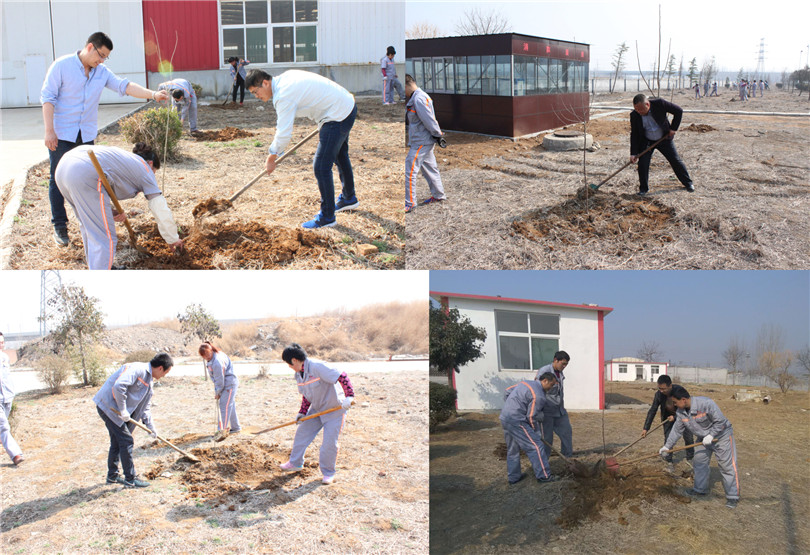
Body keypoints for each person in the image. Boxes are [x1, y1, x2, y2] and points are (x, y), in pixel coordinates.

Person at [41, 31, 170, 247]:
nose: (101, 61)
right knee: (57, 178)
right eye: (100, 55)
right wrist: (49, 131)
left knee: (93, 179)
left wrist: (153, 95)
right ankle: (60, 226)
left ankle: (93, 220)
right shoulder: (61, 66)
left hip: (86, 135)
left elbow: (125, 86)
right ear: (90, 47)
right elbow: (48, 98)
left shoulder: (101, 72)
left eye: (105, 58)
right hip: (62, 134)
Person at [245, 69, 359, 229]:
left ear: (265, 83)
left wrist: (272, 155)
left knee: (321, 166)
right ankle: (348, 198)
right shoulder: (285, 79)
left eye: (255, 92)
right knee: (340, 155)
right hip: (345, 105)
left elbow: (284, 133)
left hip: (336, 114)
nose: (256, 96)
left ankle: (327, 217)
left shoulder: (283, 95)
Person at [55, 143, 183, 270]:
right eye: (154, 171)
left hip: (64, 167)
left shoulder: (126, 160)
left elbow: (102, 188)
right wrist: (172, 238)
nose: (153, 175)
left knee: (90, 227)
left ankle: (103, 266)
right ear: (150, 164)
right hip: (84, 171)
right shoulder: (145, 169)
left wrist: (109, 211)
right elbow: (159, 207)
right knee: (104, 236)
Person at [92, 353, 174, 488]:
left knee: (117, 441)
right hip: (109, 407)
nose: (165, 375)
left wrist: (151, 426)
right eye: (166, 372)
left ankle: (112, 476)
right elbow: (119, 386)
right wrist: (123, 409)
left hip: (117, 411)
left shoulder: (149, 382)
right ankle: (130, 479)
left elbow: (145, 407)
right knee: (126, 440)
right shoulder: (138, 369)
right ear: (160, 368)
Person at [279, 343, 355, 484]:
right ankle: (295, 463)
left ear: (294, 360)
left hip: (334, 410)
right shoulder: (299, 374)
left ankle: (328, 473)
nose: (289, 366)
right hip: (317, 409)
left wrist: (349, 396)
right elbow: (307, 395)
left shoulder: (317, 367)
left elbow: (342, 376)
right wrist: (302, 412)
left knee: (329, 444)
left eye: (289, 364)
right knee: (302, 433)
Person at [660, 387, 740, 509]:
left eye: (675, 402)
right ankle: (700, 490)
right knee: (699, 462)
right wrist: (667, 446)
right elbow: (676, 430)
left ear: (683, 399)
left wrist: (711, 435)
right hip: (703, 438)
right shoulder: (681, 412)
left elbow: (720, 421)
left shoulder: (706, 403)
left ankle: (732, 496)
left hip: (721, 436)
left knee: (727, 466)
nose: (674, 405)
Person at [630, 94, 694, 196]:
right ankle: (643, 189)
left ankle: (688, 183)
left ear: (647, 104)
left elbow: (678, 111)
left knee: (675, 160)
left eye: (640, 109)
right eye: (636, 109)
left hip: (663, 139)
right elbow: (634, 134)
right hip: (647, 141)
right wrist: (633, 153)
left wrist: (673, 128)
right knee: (643, 164)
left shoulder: (659, 104)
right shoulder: (634, 115)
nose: (638, 112)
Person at [500, 372, 558, 484]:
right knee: (536, 446)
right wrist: (535, 432)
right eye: (551, 385)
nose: (551, 388)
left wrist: (511, 406)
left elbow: (507, 391)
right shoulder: (539, 395)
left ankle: (513, 477)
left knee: (512, 449)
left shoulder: (525, 383)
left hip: (505, 417)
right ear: (545, 380)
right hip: (517, 420)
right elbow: (531, 417)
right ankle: (544, 476)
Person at [404, 74, 446, 213]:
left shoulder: (419, 98)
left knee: (409, 170)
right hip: (424, 140)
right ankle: (439, 195)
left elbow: (429, 119)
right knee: (430, 168)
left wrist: (438, 135)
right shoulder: (419, 96)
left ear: (407, 85)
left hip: (421, 141)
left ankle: (410, 203)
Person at [641, 376, 694, 472]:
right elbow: (653, 410)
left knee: (689, 438)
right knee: (668, 439)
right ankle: (669, 462)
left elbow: (688, 407)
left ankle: (690, 458)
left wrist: (676, 417)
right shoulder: (659, 394)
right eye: (659, 388)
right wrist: (646, 428)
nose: (661, 391)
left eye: (663, 389)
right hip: (667, 418)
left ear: (670, 386)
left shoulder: (680, 391)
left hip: (683, 417)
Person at [534, 350, 573, 458]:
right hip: (547, 411)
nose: (564, 366)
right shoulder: (544, 371)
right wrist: (539, 411)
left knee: (566, 432)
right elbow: (537, 390)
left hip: (560, 410)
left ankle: (567, 457)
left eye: (566, 364)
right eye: (563, 363)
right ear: (556, 360)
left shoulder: (560, 373)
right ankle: (544, 459)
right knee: (547, 438)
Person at [199, 342, 240, 436]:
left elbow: (219, 380)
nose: (206, 357)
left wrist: (218, 392)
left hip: (229, 384)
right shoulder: (213, 357)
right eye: (204, 356)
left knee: (224, 406)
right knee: (229, 405)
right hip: (226, 383)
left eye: (208, 354)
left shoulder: (217, 361)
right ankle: (236, 427)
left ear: (211, 350)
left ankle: (222, 431)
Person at [0, 333, 24, 466]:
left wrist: (11, 391)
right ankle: (16, 455)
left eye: (2, 342)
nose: (1, 345)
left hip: (7, 396)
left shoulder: (4, 357)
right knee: (3, 426)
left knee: (2, 427)